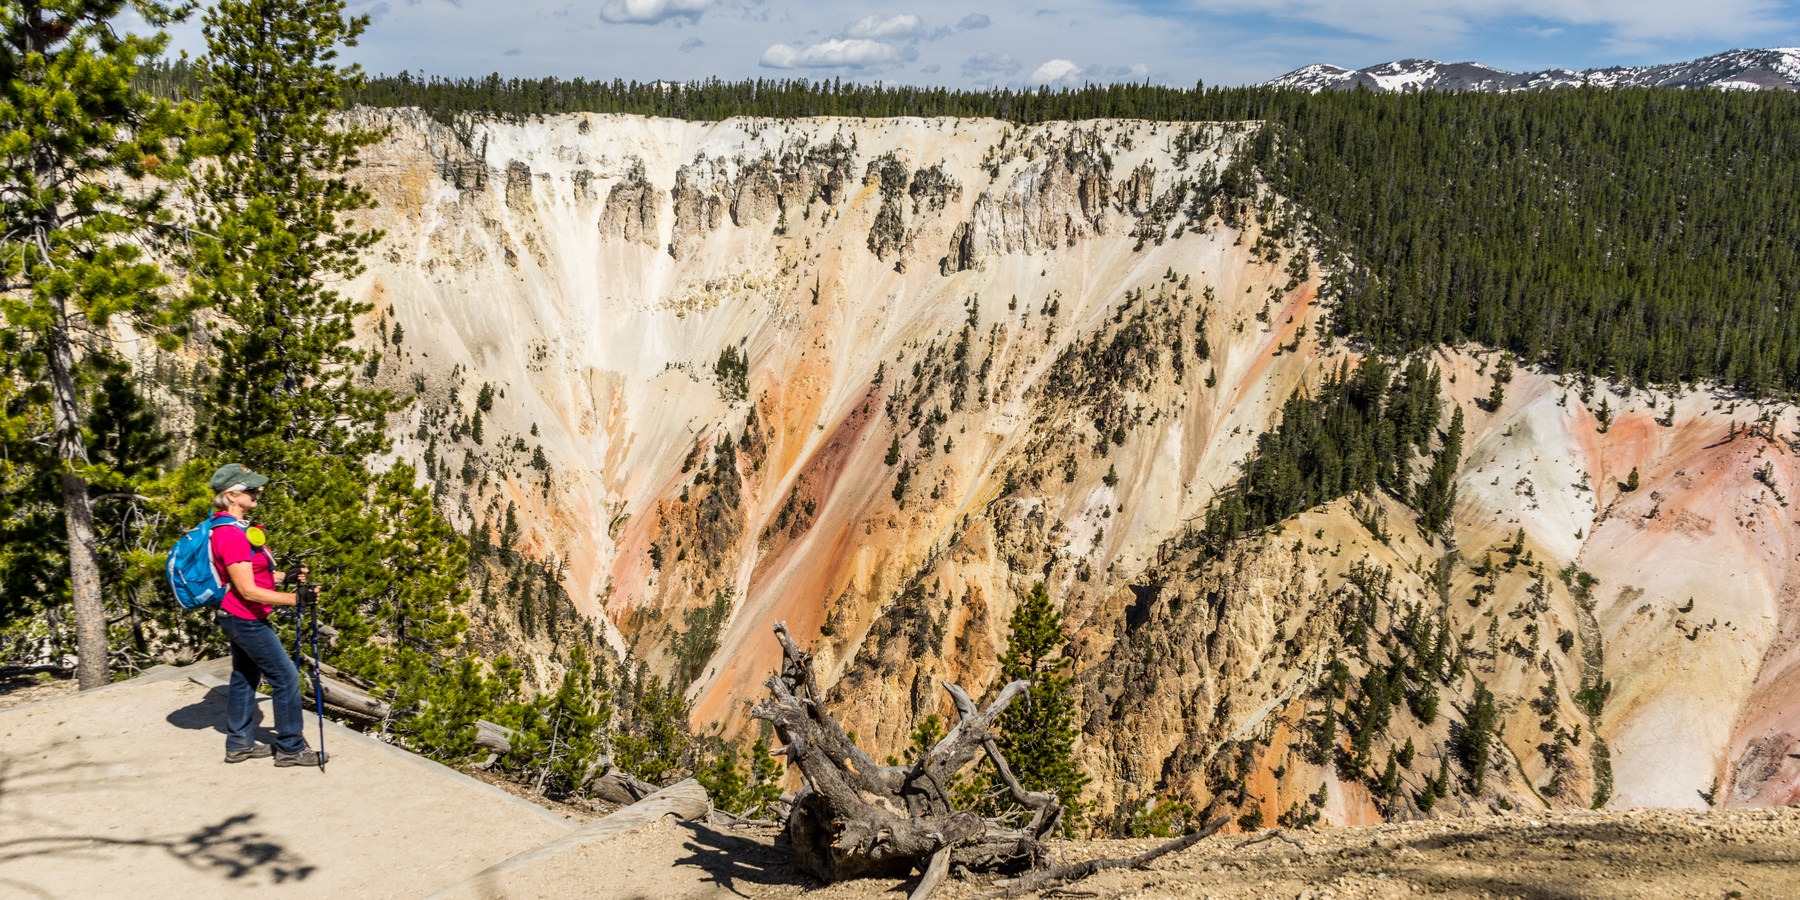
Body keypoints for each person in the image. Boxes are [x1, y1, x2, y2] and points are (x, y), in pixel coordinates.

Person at [208, 462, 327, 767]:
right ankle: (290, 747)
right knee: (285, 676)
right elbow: (247, 590)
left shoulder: (234, 529)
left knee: (245, 675)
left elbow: (254, 575)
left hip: (237, 614)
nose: (258, 492)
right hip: (243, 617)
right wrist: (295, 599)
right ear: (232, 495)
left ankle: (239, 744)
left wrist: (285, 577)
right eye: (251, 489)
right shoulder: (231, 535)